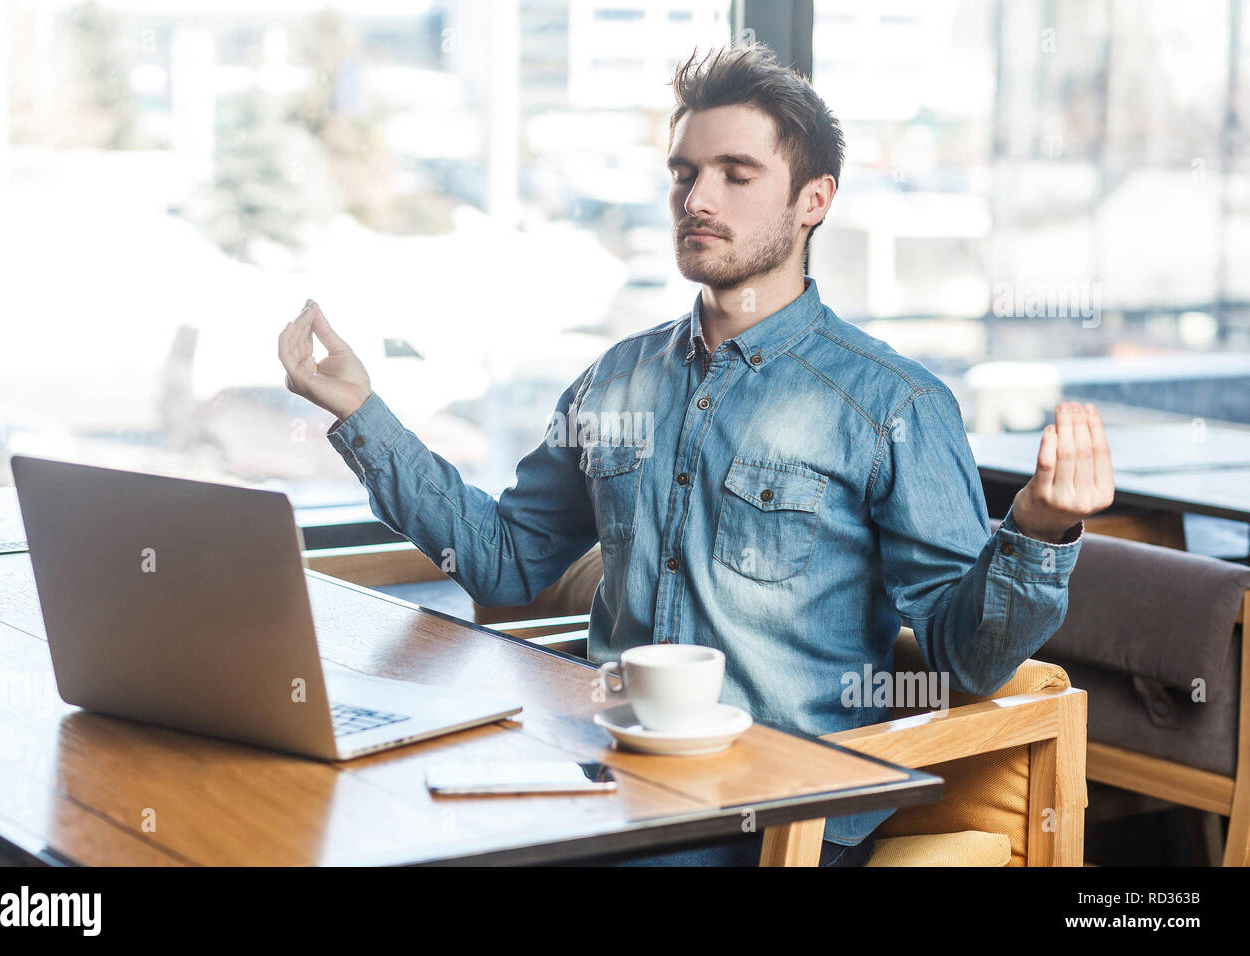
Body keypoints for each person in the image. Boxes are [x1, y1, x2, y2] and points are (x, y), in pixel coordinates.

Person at [278, 43, 1114, 866]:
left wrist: (1038, 528)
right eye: (684, 173)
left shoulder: (894, 406)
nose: (697, 198)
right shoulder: (614, 383)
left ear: (813, 199)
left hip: (781, 812)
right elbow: (505, 563)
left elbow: (961, 661)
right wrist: (362, 414)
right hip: (610, 777)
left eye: (735, 174)